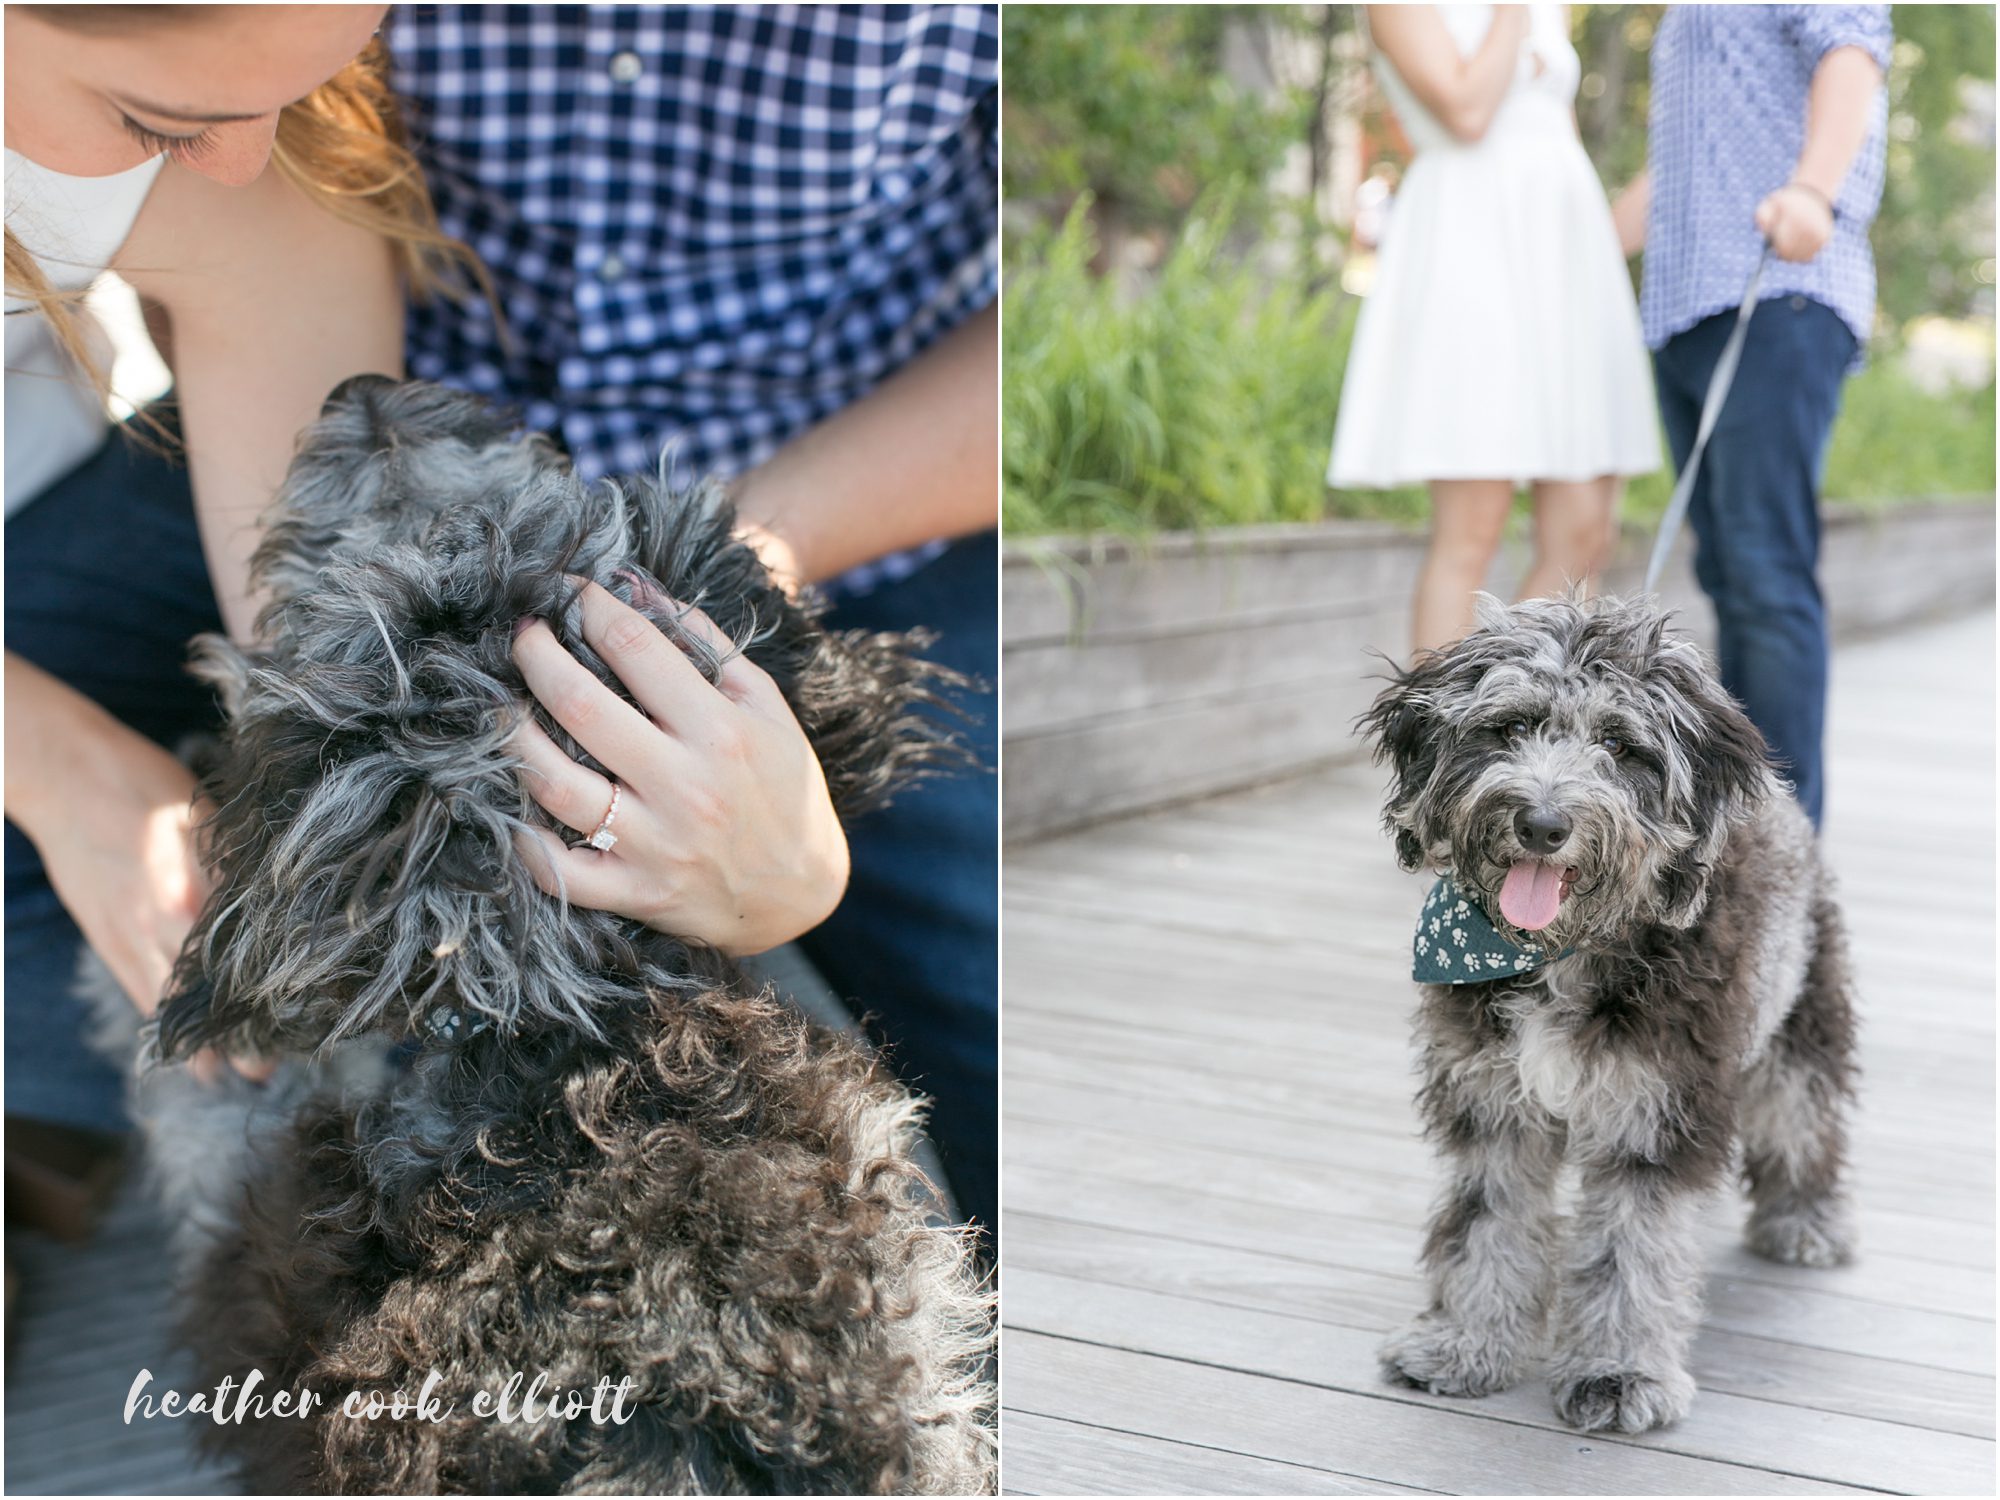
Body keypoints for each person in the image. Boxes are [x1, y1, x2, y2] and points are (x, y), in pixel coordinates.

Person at [2, 7, 872, 1220]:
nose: (253, 160)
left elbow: (318, 640)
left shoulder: (216, 147)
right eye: (159, 121)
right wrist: (62, 773)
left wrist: (335, 837)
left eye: (295, 97)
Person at [381, 4, 1001, 1235]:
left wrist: (736, 559)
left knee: (1001, 992)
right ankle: (45, 1130)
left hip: (851, 473)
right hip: (413, 451)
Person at [1611, 5, 1891, 829]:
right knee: (1732, 577)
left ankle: (1784, 847)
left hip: (1777, 290)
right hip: (1688, 309)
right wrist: (1584, 250)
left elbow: (1852, 47)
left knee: (1766, 580)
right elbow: (1681, 164)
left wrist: (1813, 188)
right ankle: (1735, 824)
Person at [1329, 4, 1660, 658]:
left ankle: (1530, 721)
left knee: (1585, 534)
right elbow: (1467, 110)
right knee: (1472, 531)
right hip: (1471, 247)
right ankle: (1438, 750)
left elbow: (1553, 130)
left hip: (1558, 257)